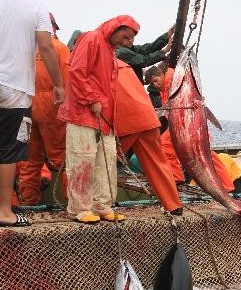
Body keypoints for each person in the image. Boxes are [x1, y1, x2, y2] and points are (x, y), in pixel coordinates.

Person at [0, 0, 65, 227]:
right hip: (12, 90)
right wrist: (59, 85)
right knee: (8, 151)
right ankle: (4, 212)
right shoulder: (35, 6)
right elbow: (45, 47)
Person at [58, 15, 140, 223]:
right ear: (116, 27)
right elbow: (77, 72)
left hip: (104, 117)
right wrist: (91, 98)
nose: (124, 42)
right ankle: (79, 209)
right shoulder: (92, 39)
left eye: (129, 39)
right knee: (82, 160)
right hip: (82, 113)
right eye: (124, 36)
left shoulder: (110, 49)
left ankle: (102, 205)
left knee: (106, 161)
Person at [115, 60, 183, 215]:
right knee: (158, 162)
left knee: (104, 161)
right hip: (148, 118)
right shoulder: (125, 66)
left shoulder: (100, 65)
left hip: (126, 121)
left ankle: (95, 205)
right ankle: (174, 205)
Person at [19, 13, 70, 205]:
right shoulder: (59, 48)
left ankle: (29, 202)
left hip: (24, 107)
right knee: (62, 156)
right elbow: (68, 84)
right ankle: (70, 203)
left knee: (29, 159)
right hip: (53, 106)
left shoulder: (22, 50)